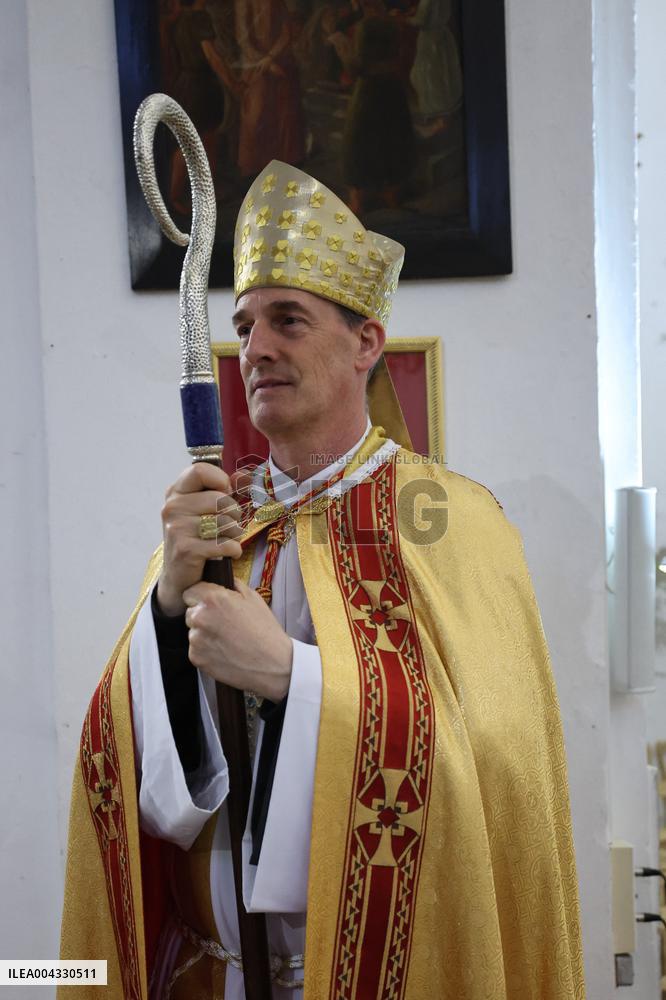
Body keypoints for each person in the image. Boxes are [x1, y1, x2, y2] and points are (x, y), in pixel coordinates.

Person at [59, 161, 585, 999]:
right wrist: (167, 610)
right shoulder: (216, 522)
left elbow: (495, 772)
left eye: (289, 320)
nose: (256, 347)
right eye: (243, 322)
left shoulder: (452, 520)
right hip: (218, 978)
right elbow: (121, 778)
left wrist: (292, 679)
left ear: (366, 342)